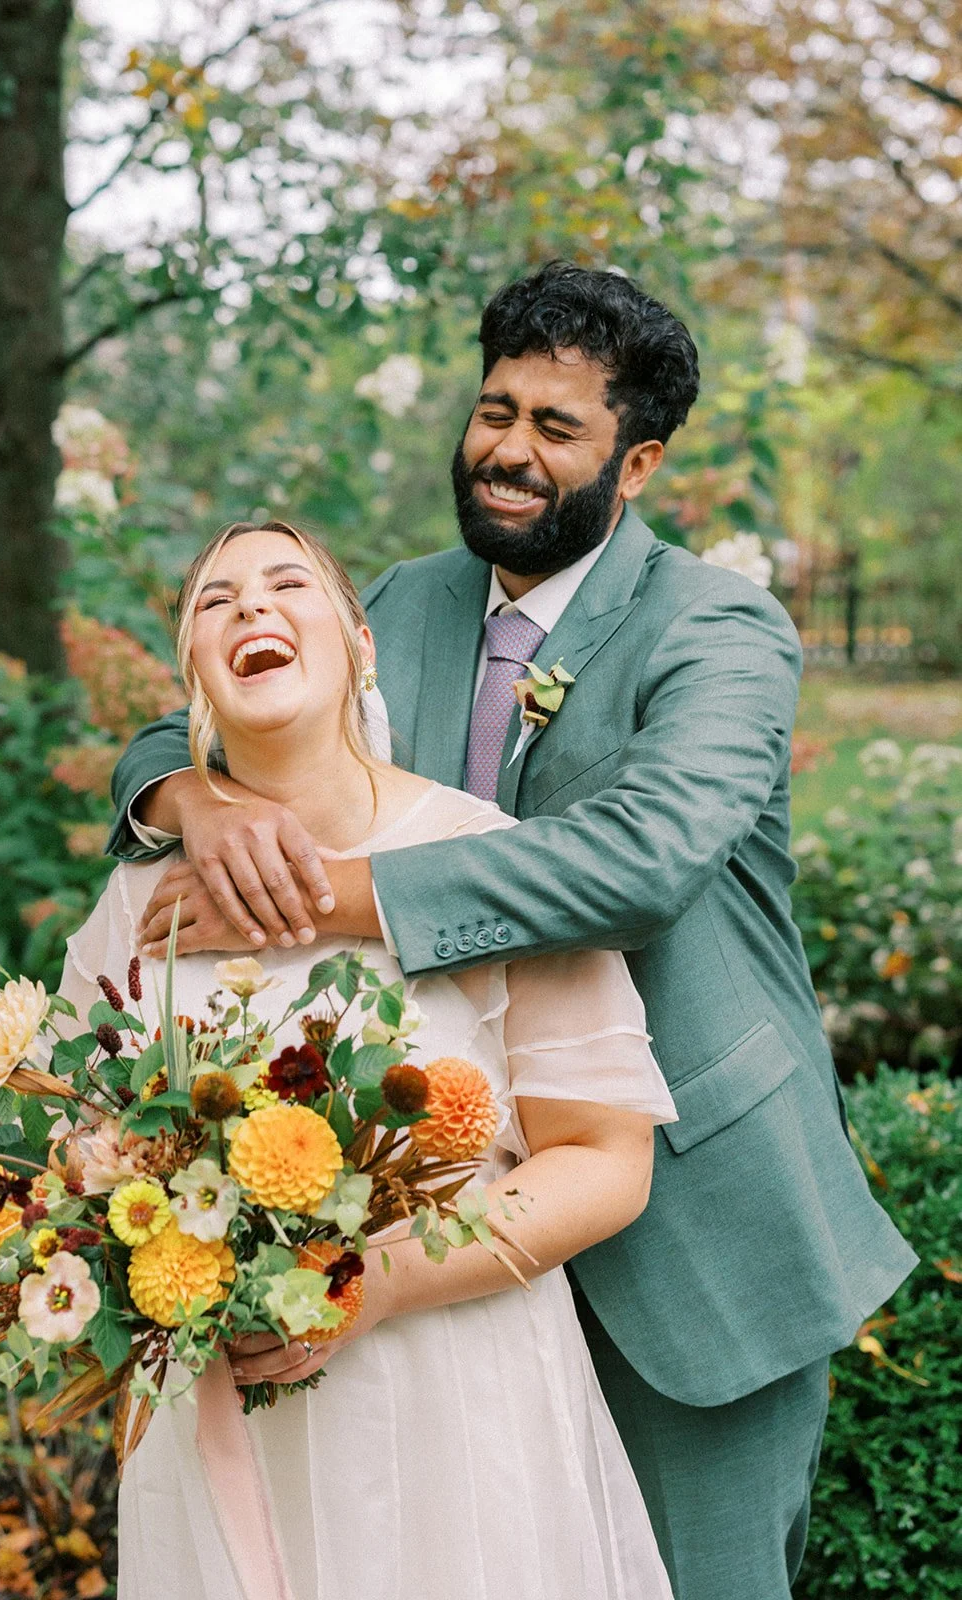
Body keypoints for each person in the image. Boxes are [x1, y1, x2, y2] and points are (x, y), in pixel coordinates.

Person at [108, 263, 916, 1600]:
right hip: (440, 1257)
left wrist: (331, 895)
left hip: (690, 1229)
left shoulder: (717, 630)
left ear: (637, 460)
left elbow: (640, 863)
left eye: (555, 428)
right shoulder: (406, 601)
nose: (506, 451)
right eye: (495, 411)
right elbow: (225, 697)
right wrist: (185, 795)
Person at [61, 519, 679, 1600]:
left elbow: (607, 1160)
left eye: (288, 582)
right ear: (194, 676)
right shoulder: (140, 899)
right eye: (216, 601)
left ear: (360, 645)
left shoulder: (492, 862)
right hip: (219, 1412)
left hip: (451, 1394)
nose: (251, 606)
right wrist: (110, 1202)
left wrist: (377, 1283)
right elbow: (75, 1129)